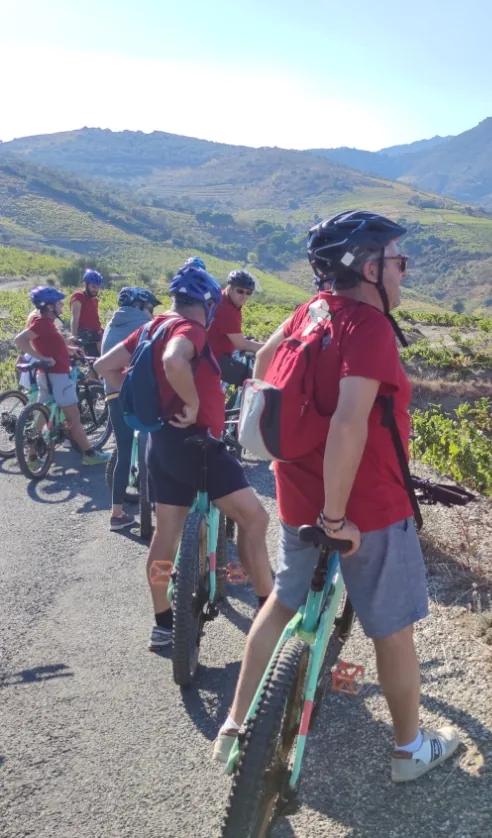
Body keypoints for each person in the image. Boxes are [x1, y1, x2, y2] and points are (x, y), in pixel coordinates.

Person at [213, 210, 459, 782]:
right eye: (398, 260)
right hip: (364, 507)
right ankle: (408, 751)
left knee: (282, 602)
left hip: (295, 493)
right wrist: (336, 516)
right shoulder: (368, 329)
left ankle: (235, 726)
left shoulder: (309, 312)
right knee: (392, 629)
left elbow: (261, 363)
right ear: (369, 268)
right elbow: (350, 424)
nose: (404, 270)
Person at [95, 266, 274, 651]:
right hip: (199, 446)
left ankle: (162, 623)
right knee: (255, 518)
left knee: (165, 536)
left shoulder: (150, 326)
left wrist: (141, 404)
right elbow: (176, 362)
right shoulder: (188, 330)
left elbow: (103, 367)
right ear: (208, 303)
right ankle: (266, 612)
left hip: (160, 443)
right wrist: (191, 403)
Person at [14, 286, 112, 467]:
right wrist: (42, 358)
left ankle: (33, 458)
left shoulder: (47, 324)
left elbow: (51, 345)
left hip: (46, 375)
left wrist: (69, 349)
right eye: (58, 303)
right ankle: (89, 454)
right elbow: (20, 340)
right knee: (74, 419)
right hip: (58, 376)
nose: (61, 306)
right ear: (49, 307)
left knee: (41, 416)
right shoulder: (42, 323)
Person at [100, 286, 161, 531]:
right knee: (158, 443)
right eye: (150, 308)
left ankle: (116, 514)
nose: (152, 313)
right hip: (141, 393)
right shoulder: (146, 327)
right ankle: (161, 503)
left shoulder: (110, 325)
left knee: (123, 452)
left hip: (112, 392)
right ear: (139, 306)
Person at [206, 269, 264, 386]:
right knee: (254, 377)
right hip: (214, 359)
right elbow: (241, 345)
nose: (244, 296)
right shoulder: (227, 310)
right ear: (230, 288)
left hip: (211, 352)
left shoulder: (224, 298)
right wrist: (271, 348)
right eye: (240, 291)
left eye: (248, 293)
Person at [70, 269, 105, 356]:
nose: (96, 290)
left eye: (98, 287)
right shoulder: (79, 296)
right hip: (85, 334)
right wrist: (74, 335)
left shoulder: (94, 299)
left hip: (95, 333)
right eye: (93, 286)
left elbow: (94, 318)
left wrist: (100, 329)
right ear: (85, 284)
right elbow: (75, 317)